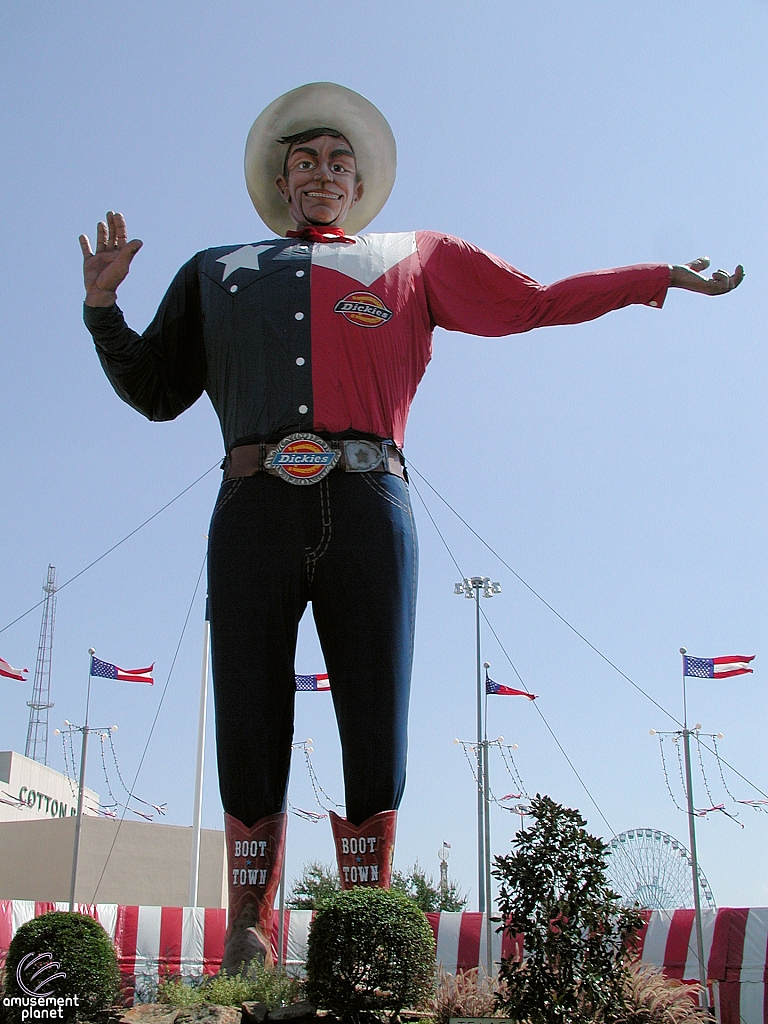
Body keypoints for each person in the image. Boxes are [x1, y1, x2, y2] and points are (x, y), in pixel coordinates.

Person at [80, 83, 743, 972]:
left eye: (338, 163)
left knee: (374, 709)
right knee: (246, 704)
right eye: (306, 162)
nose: (323, 174)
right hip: (252, 505)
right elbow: (156, 394)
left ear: (358, 183)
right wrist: (102, 311)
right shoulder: (215, 269)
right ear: (282, 183)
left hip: (370, 501)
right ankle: (249, 924)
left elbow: (536, 301)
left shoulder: (412, 255)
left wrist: (655, 277)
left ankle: (363, 925)